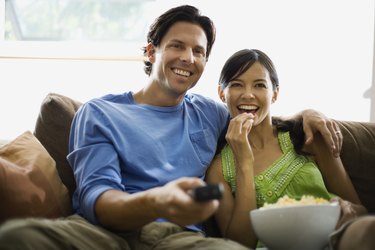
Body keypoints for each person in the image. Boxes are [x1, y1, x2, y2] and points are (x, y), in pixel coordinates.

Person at [0, 5, 343, 250]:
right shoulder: (100, 113)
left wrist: (307, 114)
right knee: (18, 237)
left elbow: (258, 114)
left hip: (177, 239)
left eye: (199, 51)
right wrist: (158, 201)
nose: (189, 59)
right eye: (177, 46)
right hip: (100, 234)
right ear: (152, 51)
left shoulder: (210, 114)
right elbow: (96, 199)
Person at [205, 48, 375, 250]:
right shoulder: (217, 170)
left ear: (275, 94)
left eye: (260, 85)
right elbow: (239, 244)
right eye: (236, 85)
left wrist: (349, 210)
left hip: (335, 239)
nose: (248, 94)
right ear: (221, 93)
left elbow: (360, 210)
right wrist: (244, 162)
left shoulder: (309, 137)